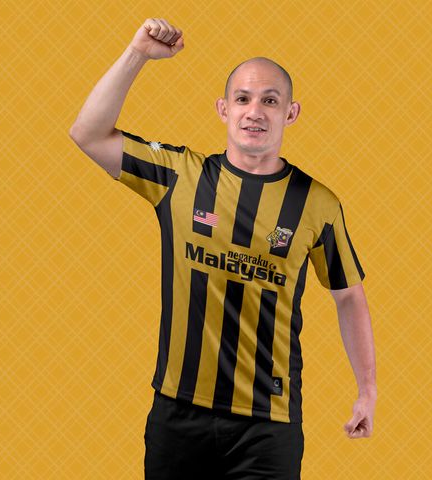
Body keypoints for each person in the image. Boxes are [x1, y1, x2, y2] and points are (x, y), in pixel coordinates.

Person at [69, 17, 377, 480]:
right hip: (178, 413)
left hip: (268, 424)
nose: (255, 111)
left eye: (270, 100)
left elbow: (349, 294)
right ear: (223, 109)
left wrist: (367, 390)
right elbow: (88, 134)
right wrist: (137, 54)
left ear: (290, 113)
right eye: (243, 98)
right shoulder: (179, 176)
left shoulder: (318, 204)